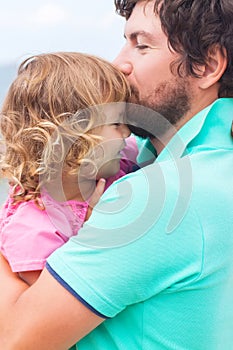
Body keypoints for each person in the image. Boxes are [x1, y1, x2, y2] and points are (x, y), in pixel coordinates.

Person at [0, 0, 233, 348]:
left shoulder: (165, 192)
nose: (119, 63)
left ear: (207, 65)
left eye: (141, 45)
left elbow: (15, 340)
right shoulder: (193, 161)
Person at [0, 51, 140, 286]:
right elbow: (46, 307)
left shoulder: (112, 161)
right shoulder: (35, 231)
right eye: (116, 123)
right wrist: (93, 232)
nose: (127, 132)